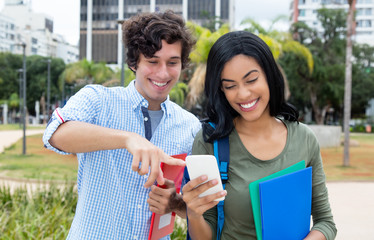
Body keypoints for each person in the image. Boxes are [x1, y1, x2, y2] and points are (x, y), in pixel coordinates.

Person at [42, 11, 201, 239]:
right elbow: (54, 134)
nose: (163, 73)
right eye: (153, 61)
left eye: (172, 62)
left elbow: (198, 206)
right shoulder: (98, 100)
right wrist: (127, 138)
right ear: (134, 62)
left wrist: (175, 204)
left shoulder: (190, 126)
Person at [182, 31, 337, 240]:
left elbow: (325, 222)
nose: (243, 94)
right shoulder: (210, 141)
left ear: (269, 76)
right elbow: (205, 235)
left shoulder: (304, 138)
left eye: (251, 80)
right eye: (230, 86)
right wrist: (193, 213)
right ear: (221, 91)